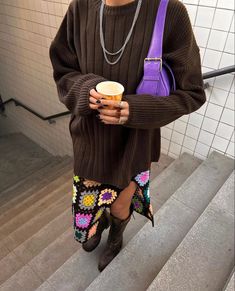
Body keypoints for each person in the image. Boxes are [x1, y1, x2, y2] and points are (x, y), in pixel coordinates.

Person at [49, 0, 206, 272]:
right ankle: (98, 224)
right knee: (89, 205)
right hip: (90, 140)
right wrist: (87, 91)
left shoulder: (169, 11)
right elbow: (63, 71)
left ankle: (115, 237)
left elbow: (192, 93)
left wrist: (136, 110)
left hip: (135, 144)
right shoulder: (80, 7)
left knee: (121, 205)